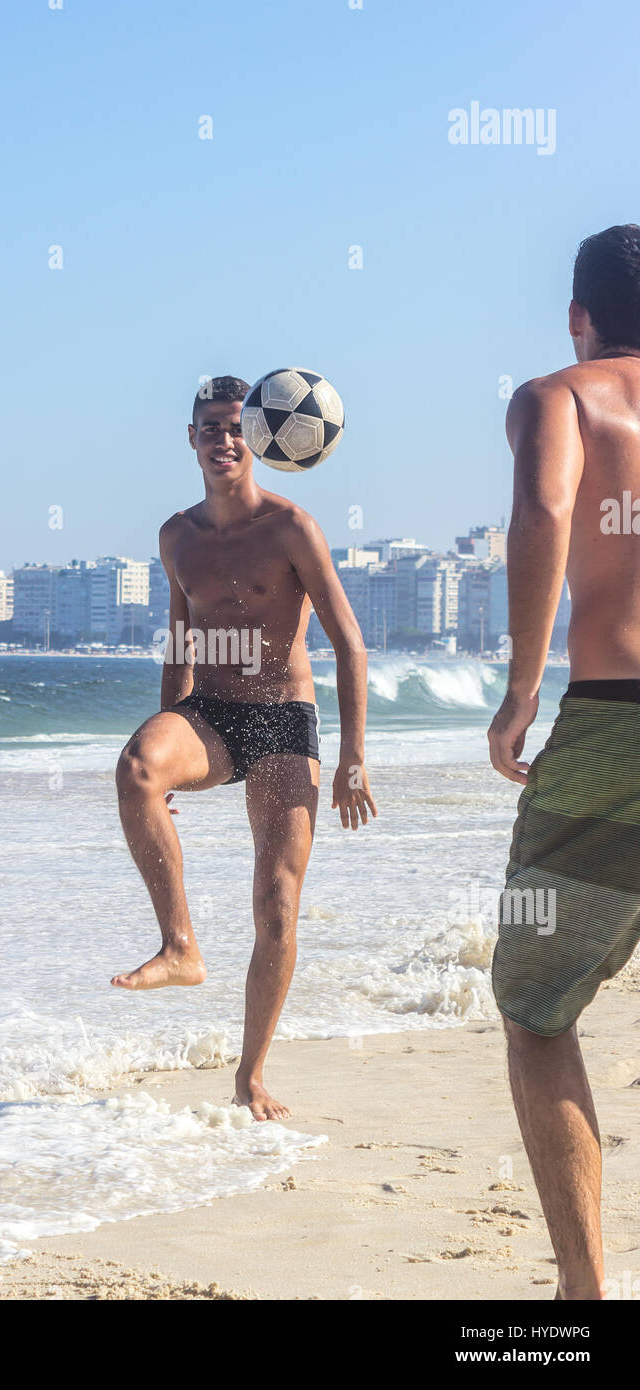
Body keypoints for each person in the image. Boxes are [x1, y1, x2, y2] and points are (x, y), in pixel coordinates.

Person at [113, 374, 376, 1121]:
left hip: (282, 720)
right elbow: (179, 642)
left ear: (258, 438)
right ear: (191, 440)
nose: (222, 440)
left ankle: (250, 1074)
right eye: (209, 428)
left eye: (235, 428)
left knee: (277, 907)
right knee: (135, 767)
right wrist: (168, 744)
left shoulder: (291, 526)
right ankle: (180, 947)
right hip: (212, 713)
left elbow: (350, 645)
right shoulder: (176, 536)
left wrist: (353, 754)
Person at [488, 224, 640, 1299]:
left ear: (577, 316)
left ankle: (584, 1297)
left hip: (612, 723)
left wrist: (520, 688)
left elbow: (543, 511)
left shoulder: (559, 395)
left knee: (536, 1003)